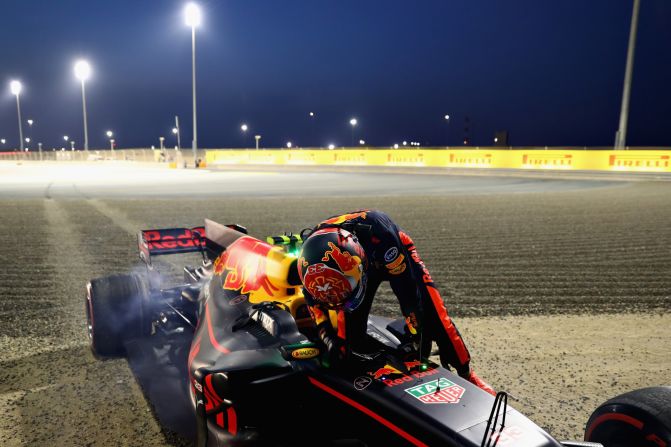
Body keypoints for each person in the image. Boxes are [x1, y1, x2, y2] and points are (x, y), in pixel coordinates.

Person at [297, 209, 495, 395]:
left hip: (391, 252)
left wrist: (416, 330)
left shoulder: (383, 238)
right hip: (355, 270)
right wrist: (327, 336)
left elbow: (408, 292)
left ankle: (467, 373)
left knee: (435, 318)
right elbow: (315, 305)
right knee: (347, 345)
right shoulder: (308, 265)